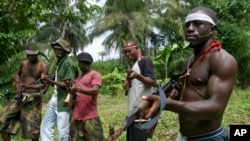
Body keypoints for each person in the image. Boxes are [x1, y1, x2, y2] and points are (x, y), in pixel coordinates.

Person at [142, 6, 238, 141]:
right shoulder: (189, 62)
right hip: (184, 136)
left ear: (212, 29)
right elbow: (187, 97)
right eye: (187, 25)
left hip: (208, 137)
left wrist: (166, 103)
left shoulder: (221, 59)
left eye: (197, 24)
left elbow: (216, 108)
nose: (190, 28)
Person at [0, 43, 49, 141]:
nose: (30, 56)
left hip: (33, 99)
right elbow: (17, 74)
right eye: (28, 54)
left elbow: (43, 84)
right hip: (20, 96)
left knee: (33, 131)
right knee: (2, 121)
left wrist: (32, 85)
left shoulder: (42, 65)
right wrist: (17, 85)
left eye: (32, 55)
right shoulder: (23, 63)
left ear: (37, 54)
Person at [40, 38, 79, 141]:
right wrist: (50, 78)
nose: (56, 50)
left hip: (64, 100)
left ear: (64, 50)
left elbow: (68, 85)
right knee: (46, 125)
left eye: (59, 49)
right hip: (55, 98)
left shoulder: (68, 64)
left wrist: (51, 81)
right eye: (55, 48)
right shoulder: (60, 62)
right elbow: (59, 78)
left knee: (63, 130)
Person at [122, 40, 156, 141]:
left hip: (140, 114)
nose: (127, 54)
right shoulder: (135, 65)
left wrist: (137, 76)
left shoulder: (144, 61)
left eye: (130, 51)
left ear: (137, 48)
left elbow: (152, 82)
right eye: (125, 52)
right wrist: (127, 84)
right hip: (133, 113)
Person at [67, 52, 104, 141]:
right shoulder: (78, 78)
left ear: (89, 64)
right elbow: (75, 95)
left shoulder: (94, 74)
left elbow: (95, 91)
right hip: (76, 116)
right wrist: (70, 89)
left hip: (90, 116)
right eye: (81, 62)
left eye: (86, 63)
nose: (83, 65)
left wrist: (78, 89)